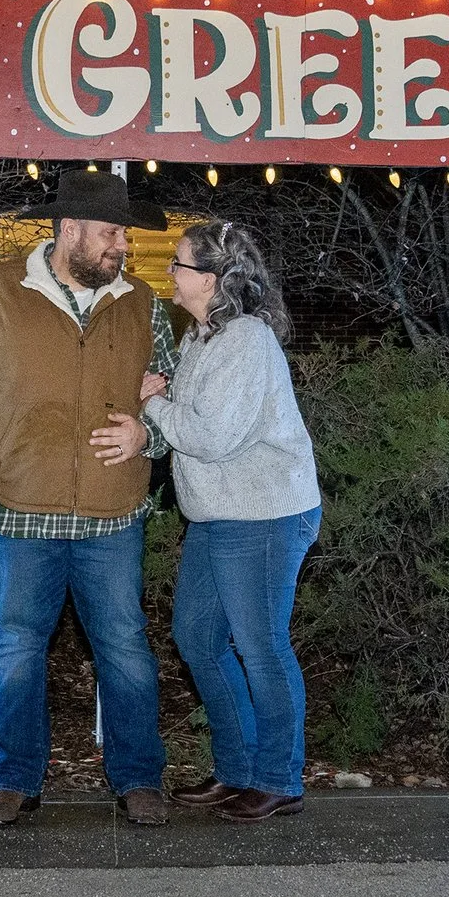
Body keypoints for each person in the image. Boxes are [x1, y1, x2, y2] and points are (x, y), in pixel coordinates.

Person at [0, 169, 180, 828]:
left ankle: (137, 778)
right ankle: (14, 779)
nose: (121, 246)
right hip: (19, 507)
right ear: (70, 228)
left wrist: (147, 431)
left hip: (112, 514)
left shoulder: (142, 302)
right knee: (15, 648)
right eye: (110, 233)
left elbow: (173, 392)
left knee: (125, 649)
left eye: (123, 235)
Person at [126, 219, 322, 822]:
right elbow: (196, 413)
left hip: (263, 515)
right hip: (216, 516)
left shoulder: (246, 342)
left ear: (208, 280)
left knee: (261, 648)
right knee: (197, 638)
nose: (171, 274)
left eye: (179, 265)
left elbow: (212, 436)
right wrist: (165, 391)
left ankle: (279, 779)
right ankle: (237, 770)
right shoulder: (202, 336)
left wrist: (154, 402)